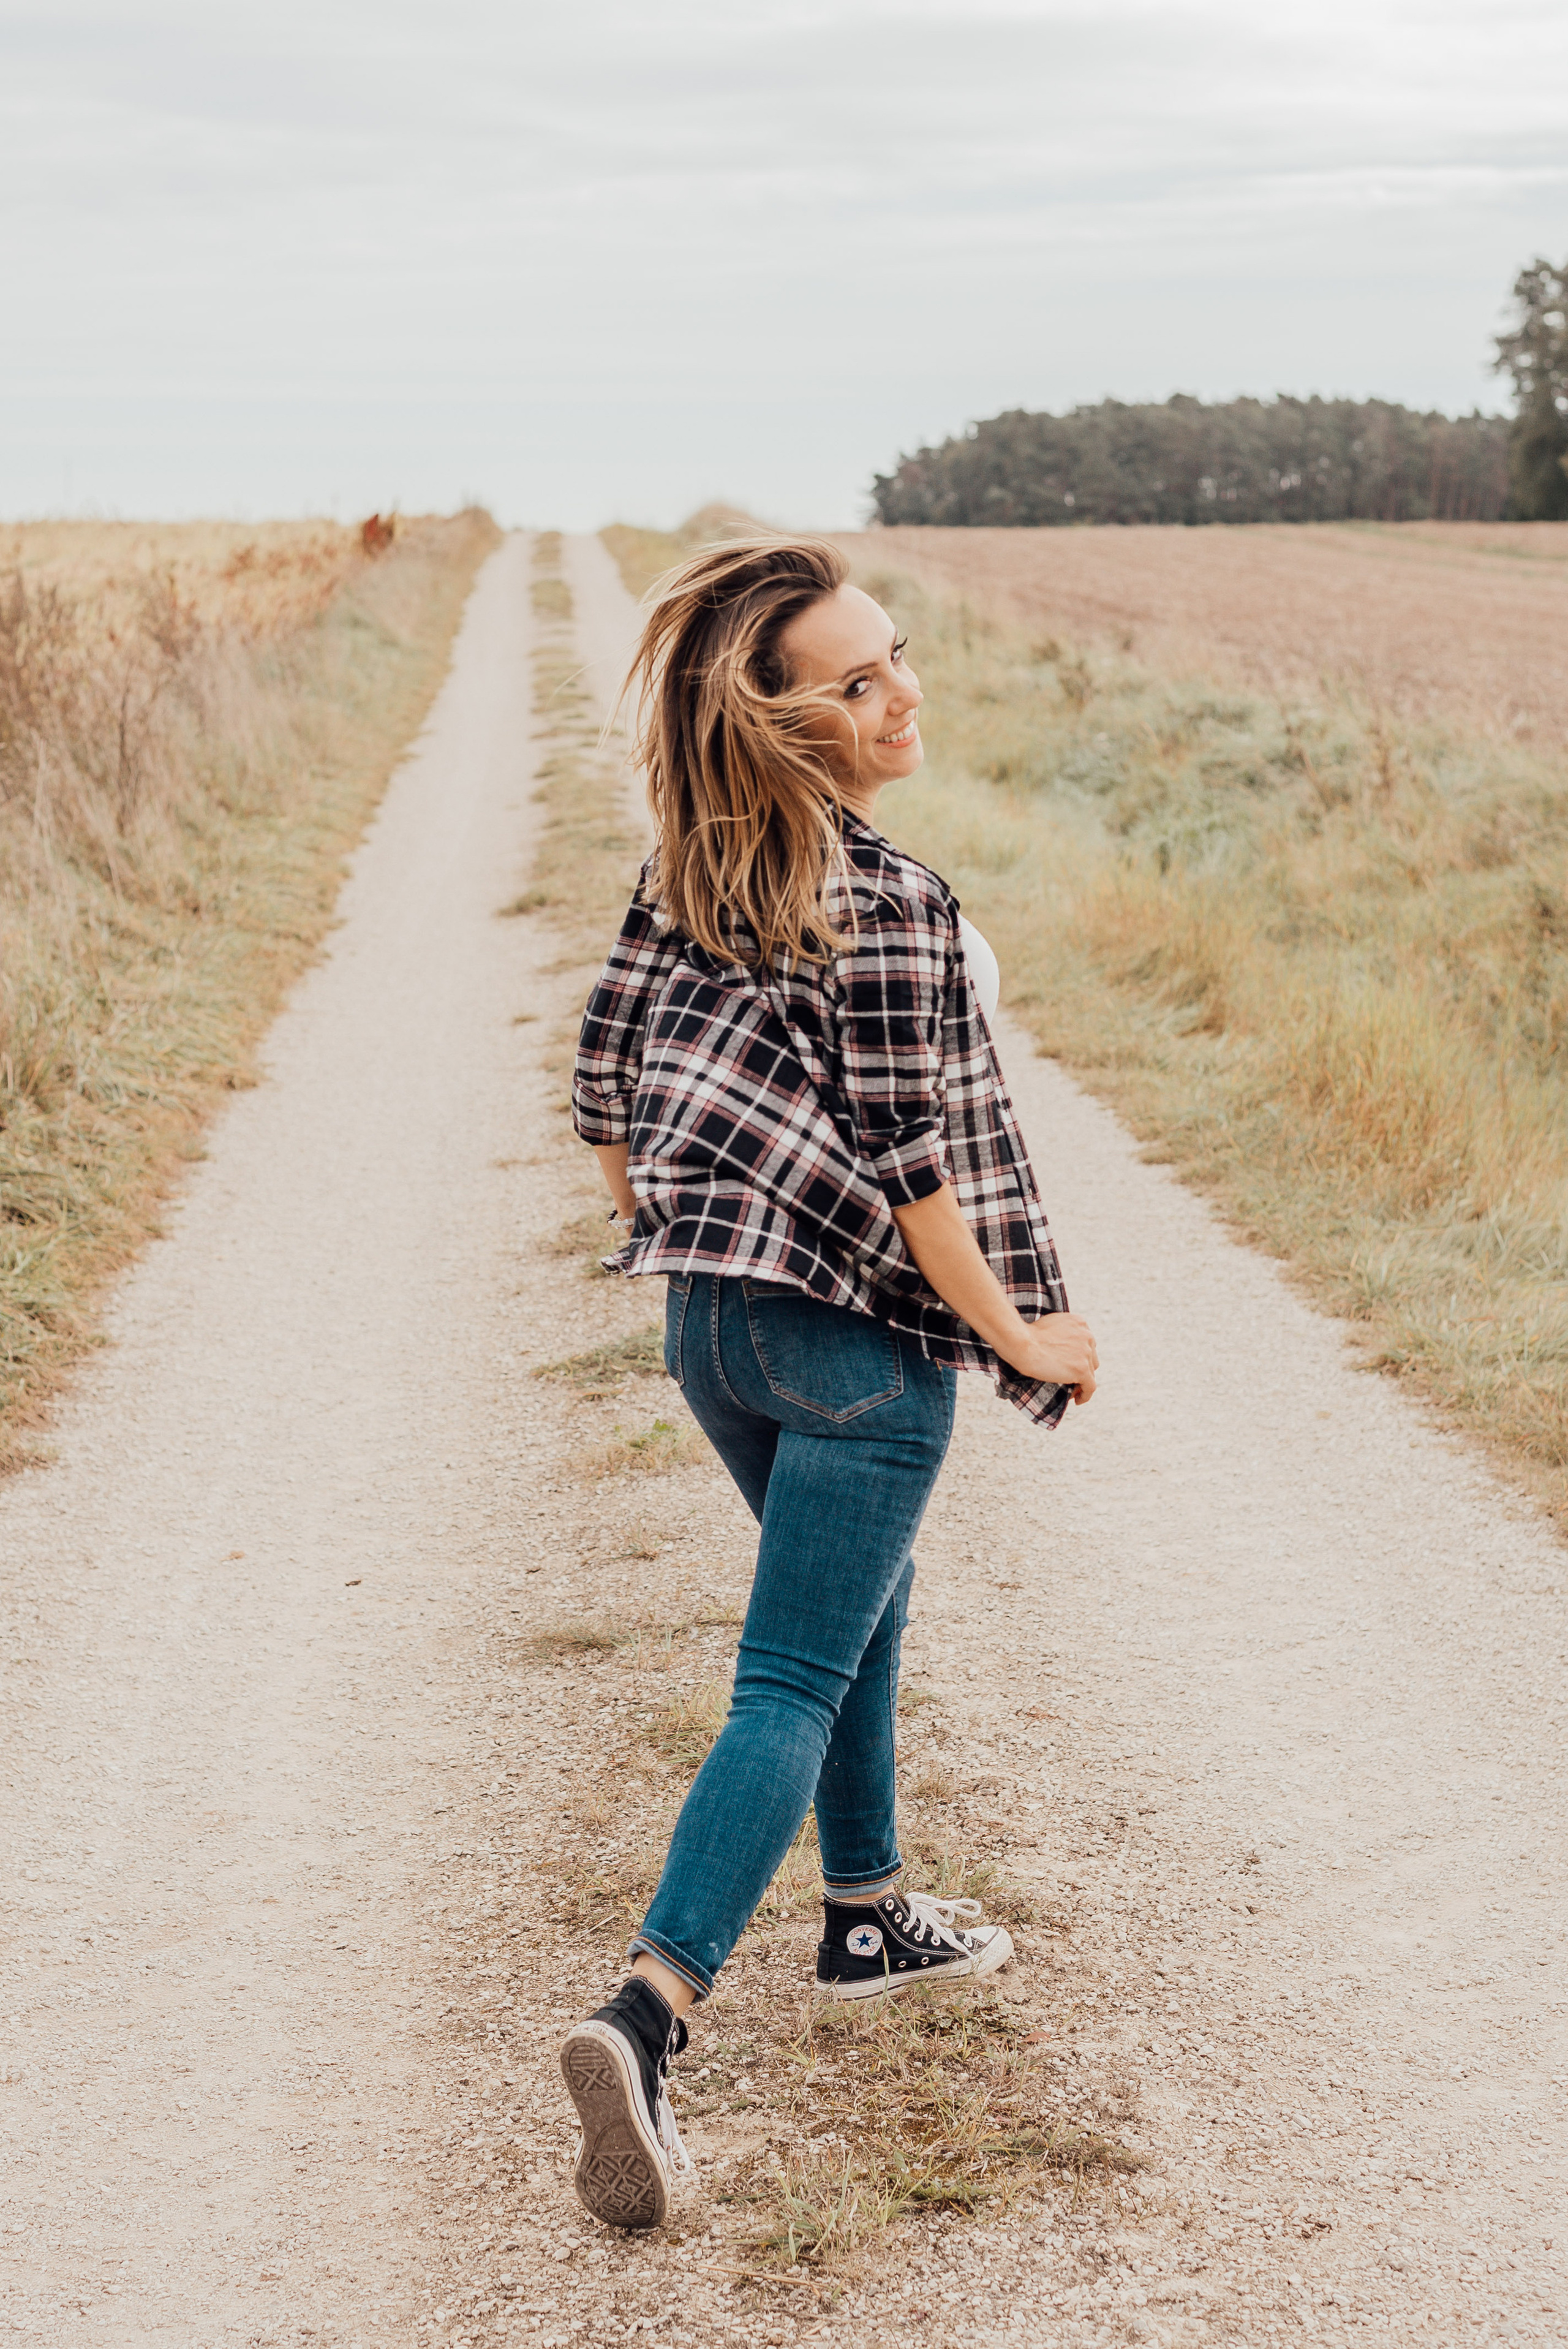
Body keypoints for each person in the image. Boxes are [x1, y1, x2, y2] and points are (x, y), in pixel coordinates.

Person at [559, 536, 1098, 2231]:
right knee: (787, 1676)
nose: (899, 688)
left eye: (898, 653)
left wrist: (679, 1222)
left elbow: (604, 1093)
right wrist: (1023, 1339)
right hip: (857, 1348)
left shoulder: (693, 868)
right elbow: (915, 1174)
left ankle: (865, 1912)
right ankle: (647, 2016)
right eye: (856, 680)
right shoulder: (898, 903)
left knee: (862, 1598)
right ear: (787, 722)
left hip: (710, 1323)